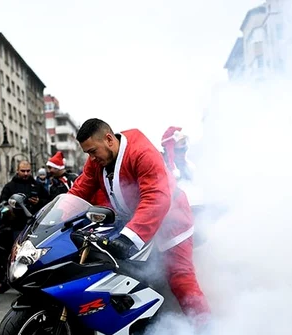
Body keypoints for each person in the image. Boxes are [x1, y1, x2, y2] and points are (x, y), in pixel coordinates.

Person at [68, 118, 210, 321]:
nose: (91, 157)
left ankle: (205, 329)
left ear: (109, 139)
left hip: (172, 221)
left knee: (180, 278)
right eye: (87, 153)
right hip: (135, 223)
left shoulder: (141, 152)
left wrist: (128, 238)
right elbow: (80, 190)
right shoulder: (97, 160)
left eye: (92, 151)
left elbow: (156, 197)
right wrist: (56, 216)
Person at [0, 161, 49, 240]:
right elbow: (2, 203)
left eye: (28, 171)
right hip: (17, 226)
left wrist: (38, 202)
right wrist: (10, 209)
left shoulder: (38, 186)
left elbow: (49, 202)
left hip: (36, 225)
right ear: (17, 170)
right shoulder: (9, 187)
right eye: (23, 171)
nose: (26, 173)